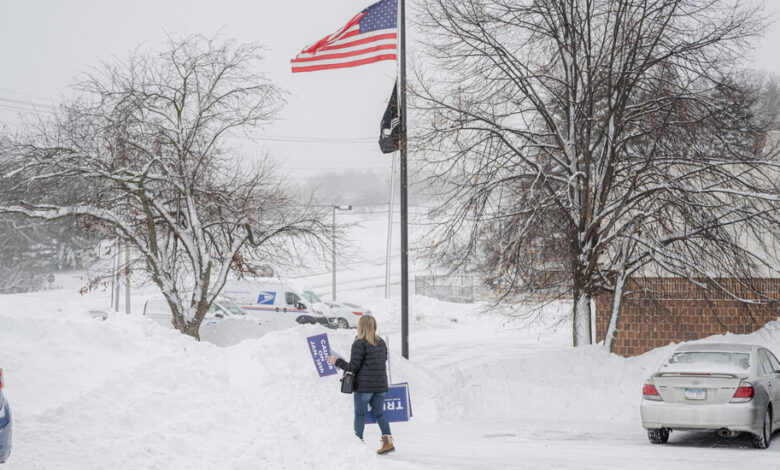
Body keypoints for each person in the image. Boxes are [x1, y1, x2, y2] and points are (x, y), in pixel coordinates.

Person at [327, 315, 395, 454]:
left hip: (364, 387)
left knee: (359, 414)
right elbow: (383, 361)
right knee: (379, 413)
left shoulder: (359, 343)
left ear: (361, 326)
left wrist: (336, 361)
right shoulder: (381, 342)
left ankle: (358, 444)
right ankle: (388, 442)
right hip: (380, 386)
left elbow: (352, 367)